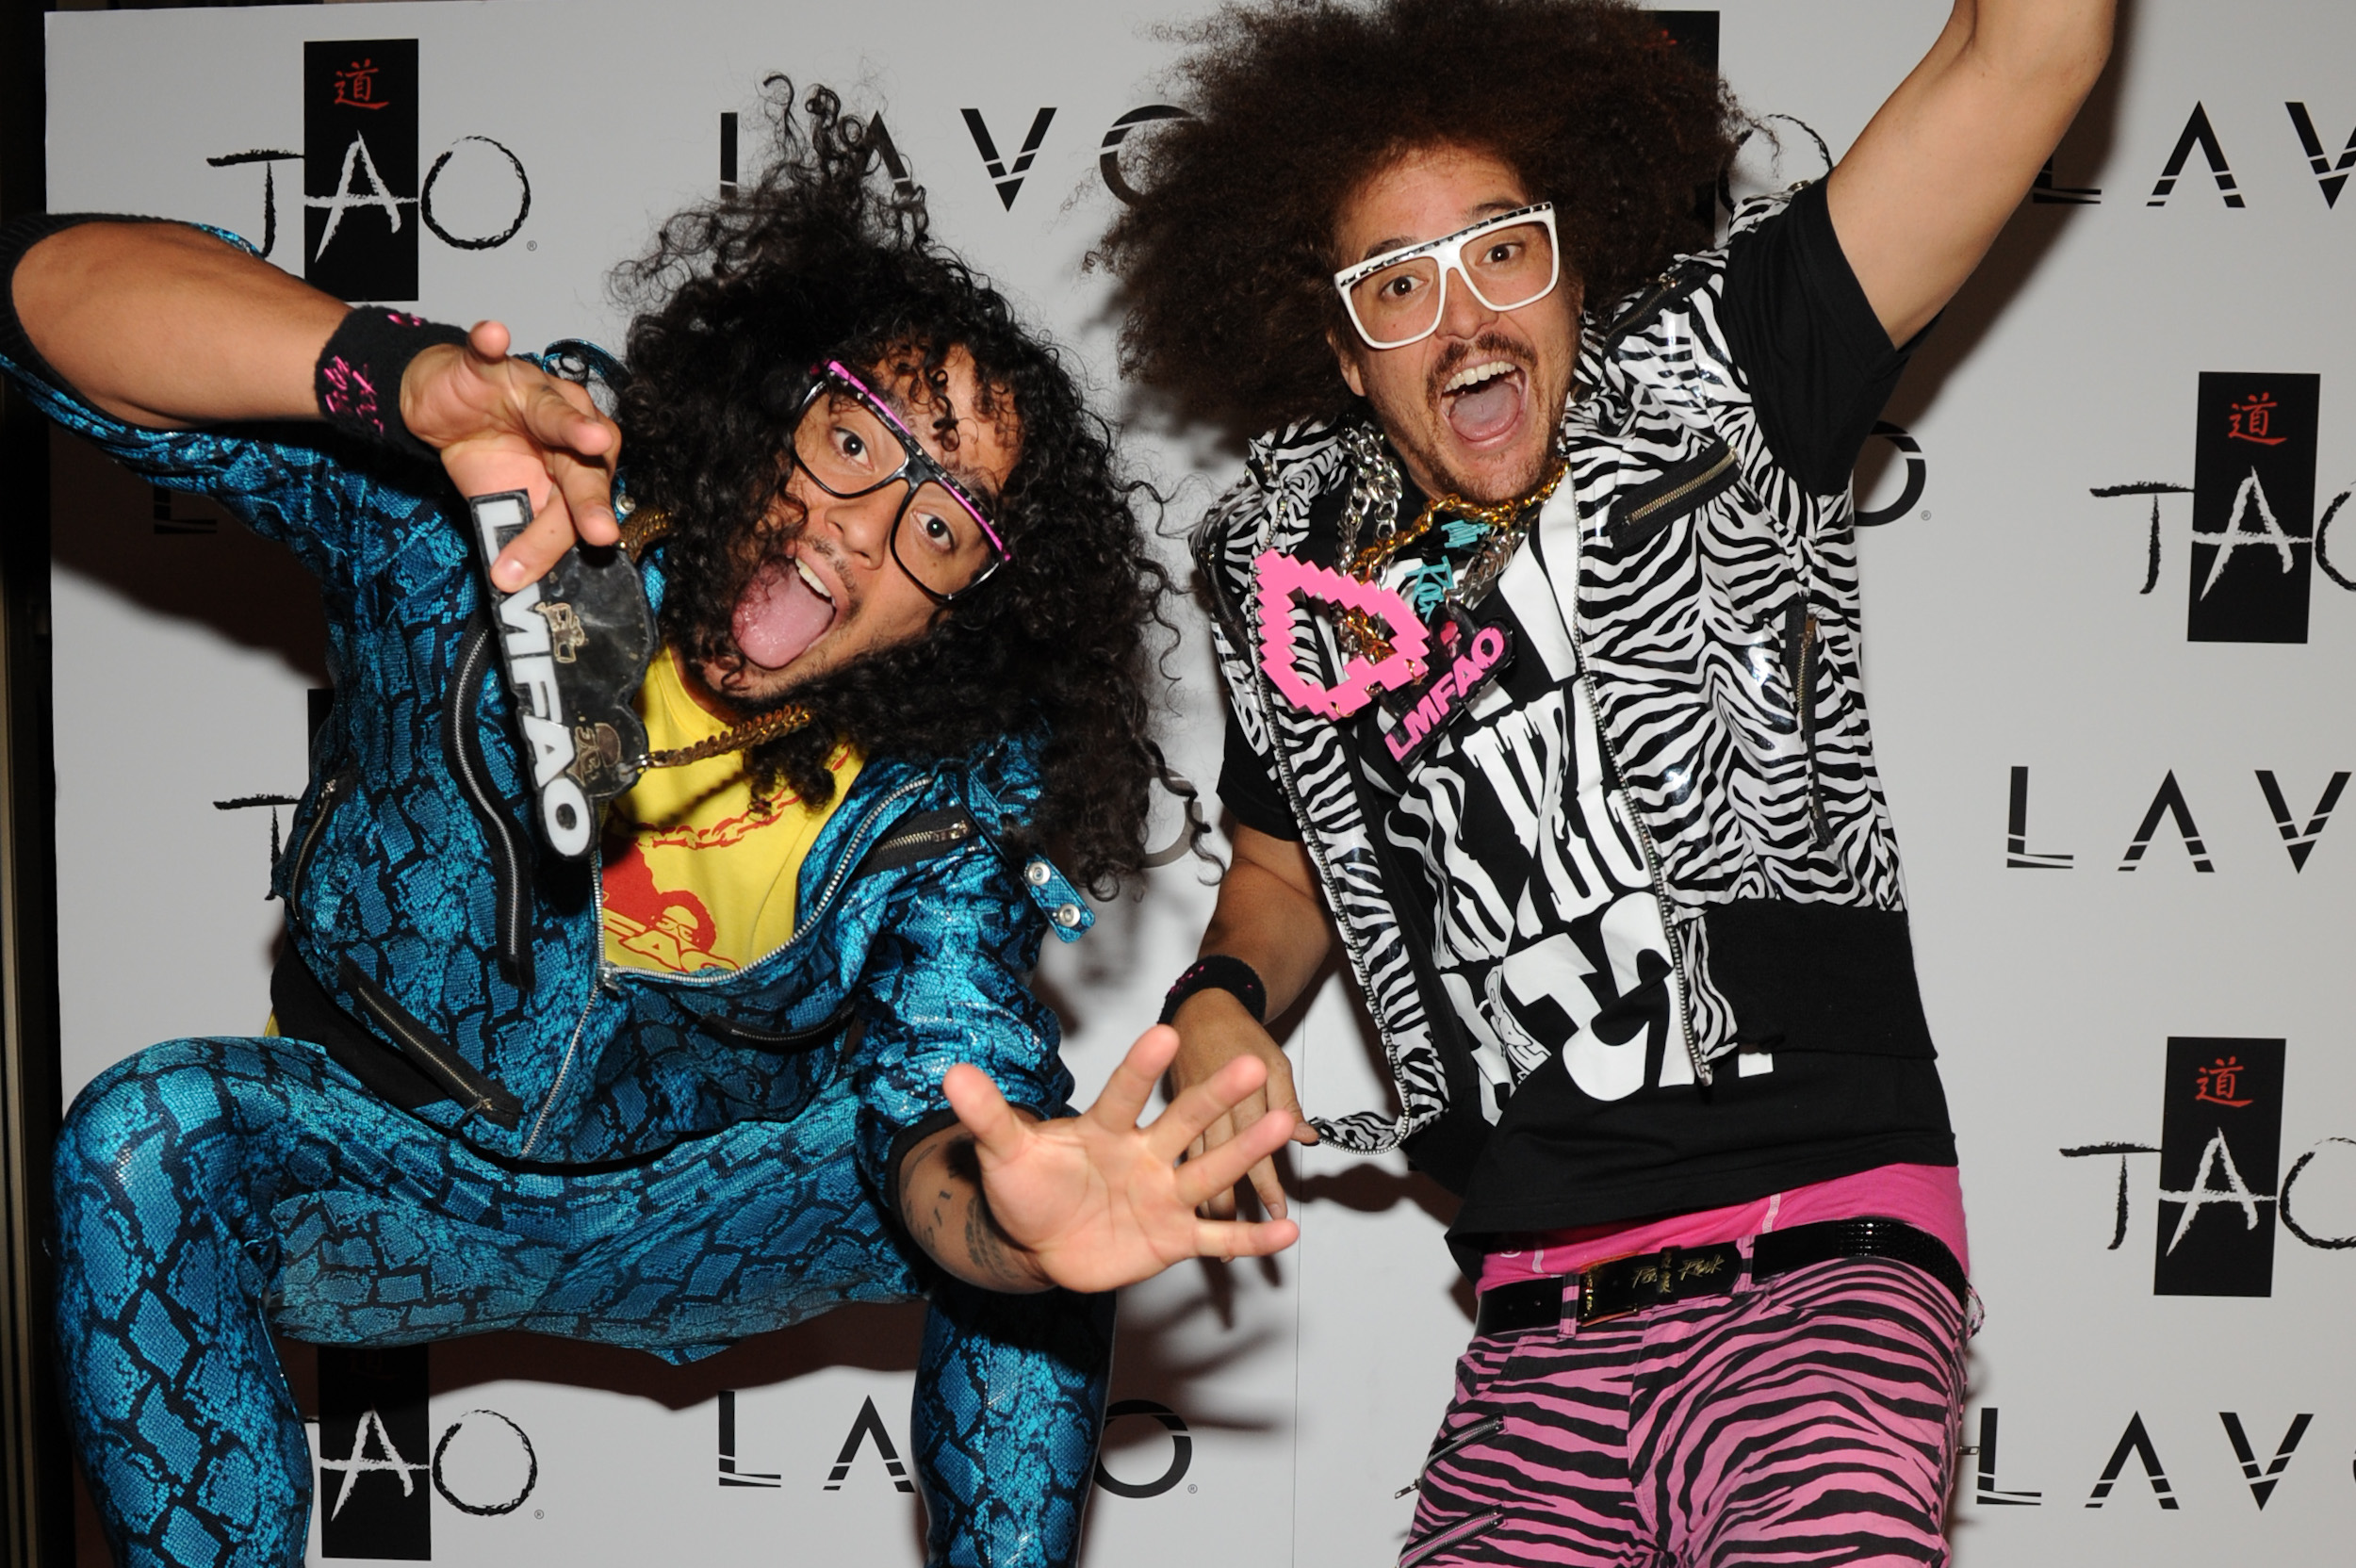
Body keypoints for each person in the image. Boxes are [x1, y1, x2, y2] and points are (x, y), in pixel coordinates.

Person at [12, 91, 1298, 1568]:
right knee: (148, 1137)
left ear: (956, 617)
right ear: (767, 404)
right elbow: (43, 299)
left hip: (706, 1214)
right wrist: (394, 377)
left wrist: (1014, 1234)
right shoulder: (503, 515)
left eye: (944, 529)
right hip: (389, 1170)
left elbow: (939, 1112)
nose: (867, 527)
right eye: (853, 438)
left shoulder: (939, 796)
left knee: (1043, 1194)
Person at [1103, 0, 2112, 1560]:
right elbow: (1288, 868)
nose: (1464, 320)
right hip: (1533, 1326)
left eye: (1502, 250)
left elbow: (2025, 57)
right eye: (1398, 285)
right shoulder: (1298, 567)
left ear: (1576, 265)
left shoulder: (1732, 370)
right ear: (1345, 353)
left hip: (1824, 1253)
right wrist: (1224, 1000)